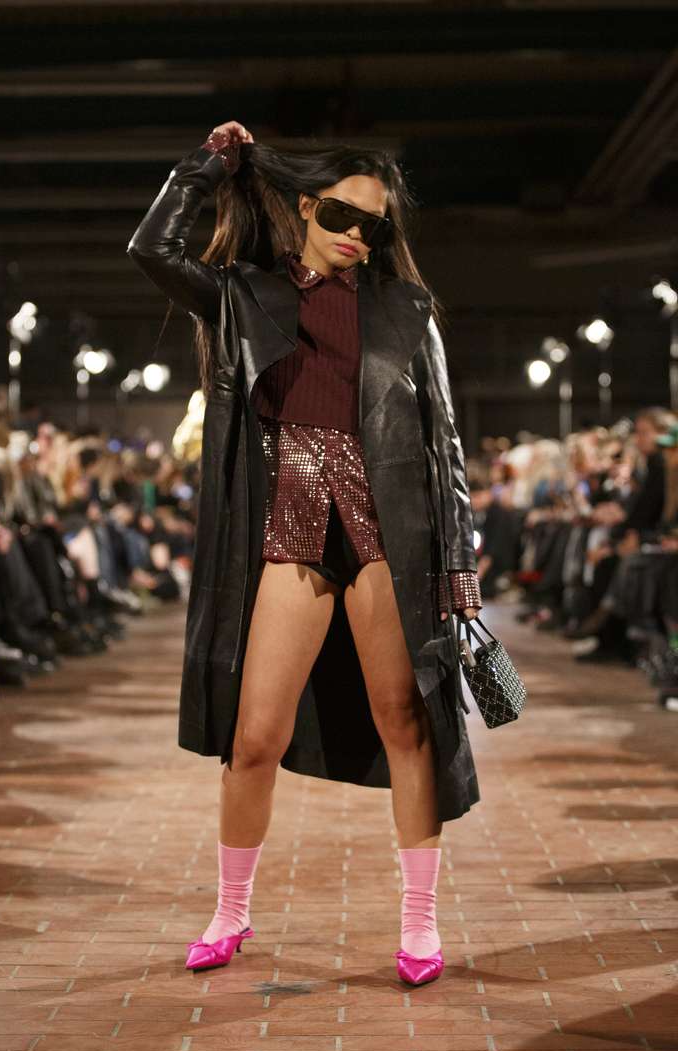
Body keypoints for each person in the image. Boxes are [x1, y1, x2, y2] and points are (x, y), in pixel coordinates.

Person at [128, 119, 482, 987]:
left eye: (374, 224)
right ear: (303, 207)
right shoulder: (246, 294)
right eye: (340, 214)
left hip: (384, 530)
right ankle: (230, 910)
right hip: (289, 523)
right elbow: (151, 247)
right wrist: (208, 165)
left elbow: (445, 445)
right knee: (253, 738)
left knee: (405, 722)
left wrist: (461, 569)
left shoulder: (407, 310)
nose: (356, 234)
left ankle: (421, 923)